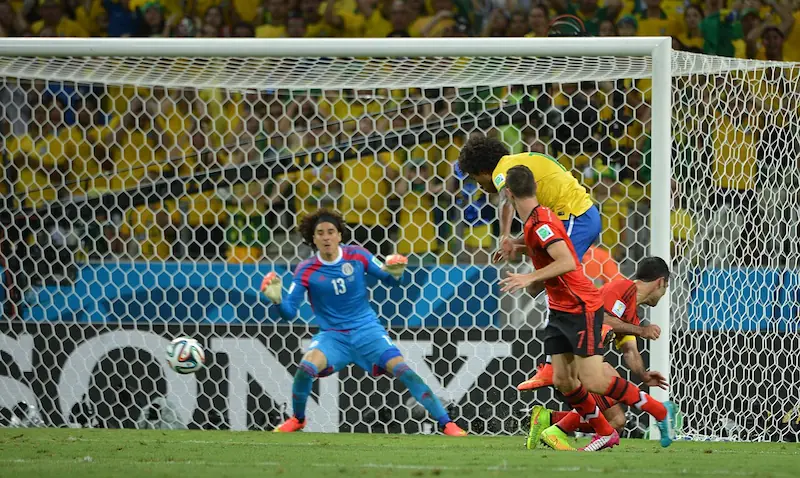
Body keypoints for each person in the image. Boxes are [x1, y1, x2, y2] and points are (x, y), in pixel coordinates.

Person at [498, 166, 675, 451]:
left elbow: (567, 261)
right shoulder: (535, 223)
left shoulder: (541, 221)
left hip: (579, 305)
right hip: (560, 307)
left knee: (594, 380)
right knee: (564, 380)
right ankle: (603, 431)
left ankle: (659, 411)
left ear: (508, 193)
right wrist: (516, 247)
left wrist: (529, 277)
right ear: (536, 188)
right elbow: (549, 249)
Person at [261, 209, 467, 436]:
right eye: (320, 233)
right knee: (305, 369)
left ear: (340, 235)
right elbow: (289, 313)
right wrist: (277, 300)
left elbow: (390, 280)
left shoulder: (357, 255)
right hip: (333, 336)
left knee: (404, 371)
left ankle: (447, 424)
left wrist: (396, 272)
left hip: (366, 330)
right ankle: (298, 419)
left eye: (331, 232)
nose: (326, 237)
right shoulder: (306, 269)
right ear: (313, 238)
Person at [456, 134, 601, 387]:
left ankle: (552, 361)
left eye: (476, 180)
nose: (480, 186)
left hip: (574, 217)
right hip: (573, 217)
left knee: (555, 280)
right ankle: (569, 348)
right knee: (541, 286)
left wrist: (505, 236)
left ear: (483, 171)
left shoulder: (503, 171)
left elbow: (505, 200)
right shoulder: (523, 161)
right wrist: (515, 243)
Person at [525, 257, 672, 448]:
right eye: (666, 287)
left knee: (617, 421)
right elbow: (602, 318)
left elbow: (630, 351)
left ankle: (549, 420)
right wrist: (642, 330)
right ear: (660, 282)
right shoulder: (621, 288)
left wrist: (643, 375)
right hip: (569, 359)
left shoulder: (630, 312)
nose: (663, 294)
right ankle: (556, 431)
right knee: (608, 377)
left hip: (579, 361)